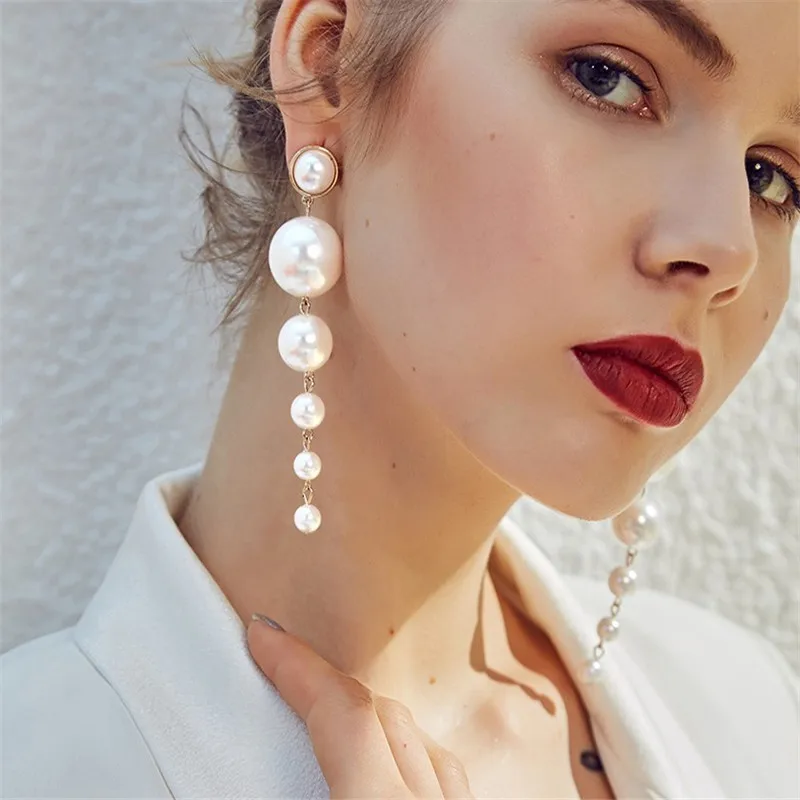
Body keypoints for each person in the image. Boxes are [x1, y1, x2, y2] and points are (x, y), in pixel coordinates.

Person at [2, 0, 799, 797]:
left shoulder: (754, 715)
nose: (729, 250)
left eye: (771, 177)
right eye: (609, 79)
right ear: (328, 66)